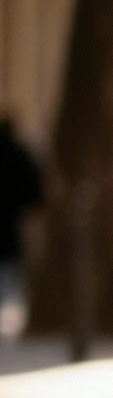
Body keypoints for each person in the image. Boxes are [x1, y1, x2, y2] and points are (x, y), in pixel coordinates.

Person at [0, 112, 44, 338]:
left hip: (9, 221)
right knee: (8, 268)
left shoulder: (19, 155)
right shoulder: (20, 154)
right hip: (11, 222)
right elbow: (34, 188)